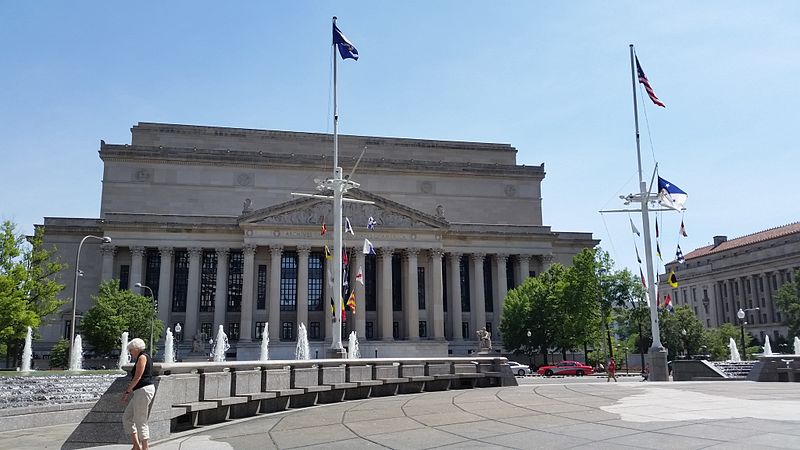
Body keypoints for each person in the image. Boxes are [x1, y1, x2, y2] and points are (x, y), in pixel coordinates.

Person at [121, 338, 155, 450]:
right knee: (127, 417)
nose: (130, 352)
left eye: (131, 350)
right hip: (141, 391)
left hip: (143, 390)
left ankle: (145, 448)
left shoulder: (142, 357)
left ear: (136, 348)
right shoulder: (143, 356)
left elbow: (138, 377)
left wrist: (127, 391)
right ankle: (136, 445)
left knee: (141, 420)